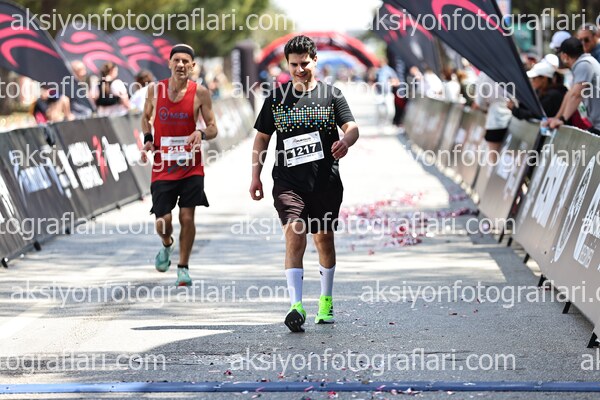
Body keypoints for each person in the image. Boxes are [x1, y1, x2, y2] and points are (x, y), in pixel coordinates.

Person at [250, 35, 359, 333]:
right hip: (288, 182)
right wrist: (255, 175)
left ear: (315, 61)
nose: (299, 69)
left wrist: (346, 141)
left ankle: (326, 300)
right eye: (294, 64)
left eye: (305, 63)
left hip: (325, 182)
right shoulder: (276, 98)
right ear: (287, 64)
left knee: (323, 239)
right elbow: (262, 138)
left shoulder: (331, 95)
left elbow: (351, 127)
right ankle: (295, 305)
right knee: (295, 234)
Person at [140, 44, 218, 286]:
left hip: (190, 166)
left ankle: (183, 268)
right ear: (169, 63)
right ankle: (167, 244)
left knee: (187, 216)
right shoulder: (155, 90)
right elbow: (145, 118)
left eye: (186, 61)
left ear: (192, 66)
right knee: (163, 222)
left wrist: (201, 133)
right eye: (177, 60)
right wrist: (148, 139)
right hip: (163, 166)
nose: (181, 65)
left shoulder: (200, 93)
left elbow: (213, 127)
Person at [547, 37, 600, 134]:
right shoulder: (584, 63)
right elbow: (570, 94)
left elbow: (576, 95)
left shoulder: (584, 64)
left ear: (564, 56)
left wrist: (563, 120)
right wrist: (557, 118)